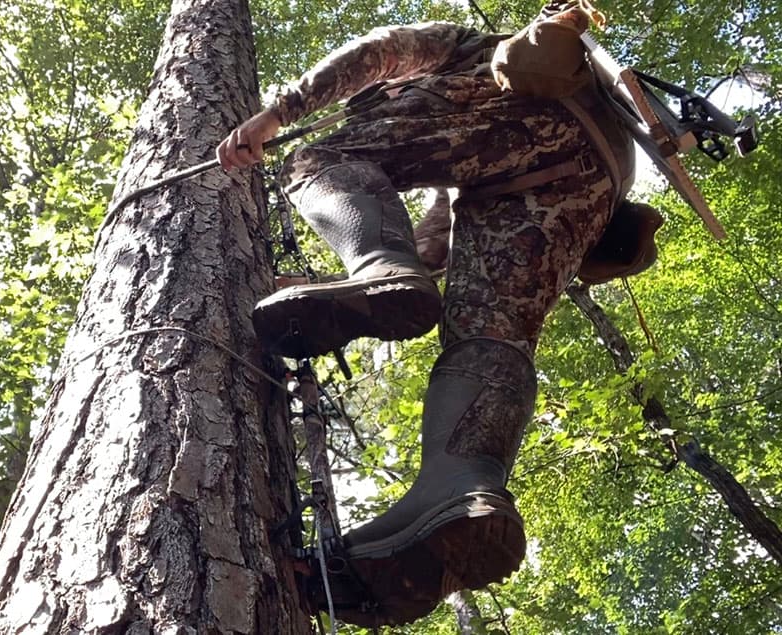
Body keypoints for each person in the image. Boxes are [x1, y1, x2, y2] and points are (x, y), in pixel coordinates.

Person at [218, 2, 644, 627]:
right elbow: (432, 254)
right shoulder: (478, 161)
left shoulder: (466, 45)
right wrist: (349, 277)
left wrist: (279, 114)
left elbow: (380, 50)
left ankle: (374, 269)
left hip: (522, 115)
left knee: (317, 159)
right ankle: (461, 484)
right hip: (597, 179)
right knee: (491, 335)